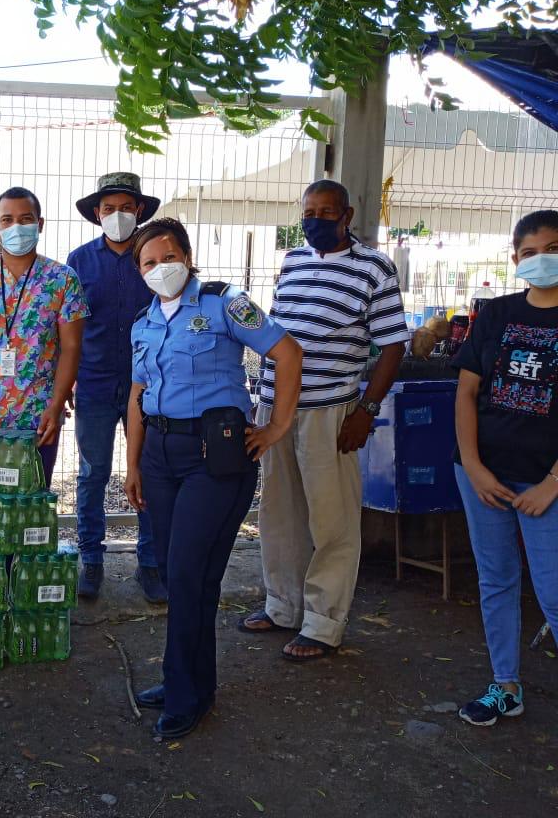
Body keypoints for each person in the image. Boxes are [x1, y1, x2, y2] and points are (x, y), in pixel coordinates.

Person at [124, 218, 302, 739]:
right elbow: (137, 396)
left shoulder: (225, 304)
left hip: (213, 457)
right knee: (182, 575)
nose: (160, 268)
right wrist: (133, 463)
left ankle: (185, 693)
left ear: (188, 256)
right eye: (148, 262)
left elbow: (287, 353)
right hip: (158, 455)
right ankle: (190, 682)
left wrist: (275, 428)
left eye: (168, 256)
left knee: (187, 575)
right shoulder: (144, 322)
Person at [241, 180, 408, 661]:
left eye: (325, 212)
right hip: (275, 407)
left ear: (347, 215)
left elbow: (393, 344)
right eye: (307, 211)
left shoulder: (374, 268)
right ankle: (282, 605)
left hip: (329, 410)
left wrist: (366, 409)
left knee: (330, 520)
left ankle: (323, 622)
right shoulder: (293, 260)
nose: (314, 220)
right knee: (279, 511)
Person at [452, 209, 558, 727]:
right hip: (485, 475)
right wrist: (472, 466)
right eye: (531, 253)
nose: (542, 260)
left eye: (553, 249)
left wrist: (552, 483)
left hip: (548, 481)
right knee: (496, 581)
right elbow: (466, 392)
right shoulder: (495, 314)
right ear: (514, 259)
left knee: (553, 589)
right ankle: (505, 687)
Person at [69, 172, 164, 602]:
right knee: (92, 474)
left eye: (126, 207)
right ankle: (91, 557)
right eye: (109, 209)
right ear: (97, 214)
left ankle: (150, 562)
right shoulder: (79, 261)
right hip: (93, 382)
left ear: (139, 210)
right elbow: (66, 327)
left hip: (147, 385)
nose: (118, 215)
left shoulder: (155, 257)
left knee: (146, 472)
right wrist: (64, 382)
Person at [0, 186, 88, 485]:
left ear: (40, 224)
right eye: (7, 219)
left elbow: (72, 346)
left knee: (29, 506)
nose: (17, 227)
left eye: (26, 219)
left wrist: (56, 405)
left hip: (39, 415)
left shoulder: (63, 279)